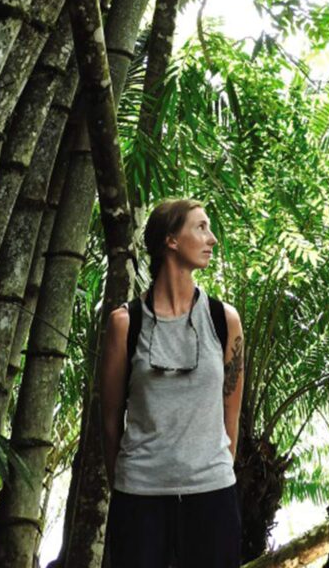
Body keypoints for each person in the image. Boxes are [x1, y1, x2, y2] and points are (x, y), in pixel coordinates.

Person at [101, 198, 244, 568]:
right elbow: (111, 418)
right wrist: (130, 480)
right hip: (140, 498)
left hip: (212, 496)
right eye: (201, 227)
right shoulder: (125, 323)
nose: (212, 238)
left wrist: (214, 470)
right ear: (171, 240)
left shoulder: (223, 319)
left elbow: (232, 412)